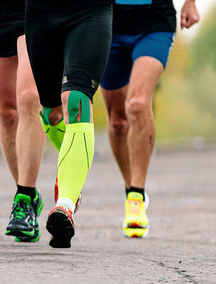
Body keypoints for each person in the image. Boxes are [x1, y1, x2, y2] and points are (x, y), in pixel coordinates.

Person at [100, 0, 199, 238]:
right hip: (106, 21)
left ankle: (136, 194)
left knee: (137, 104)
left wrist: (191, 3)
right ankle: (131, 190)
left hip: (154, 21)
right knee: (117, 121)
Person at [25, 0, 113, 248]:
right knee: (51, 114)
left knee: (76, 99)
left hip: (90, 11)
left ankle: (65, 203)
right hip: (39, 14)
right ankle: (70, 176)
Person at [0, 0, 46, 243]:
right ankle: (27, 193)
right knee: (7, 113)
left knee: (29, 97)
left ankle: (24, 199)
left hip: (36, 10)